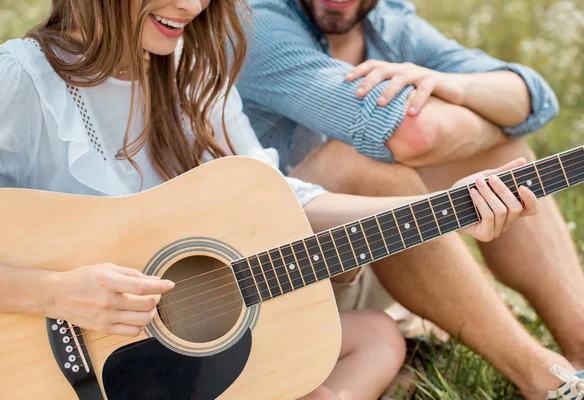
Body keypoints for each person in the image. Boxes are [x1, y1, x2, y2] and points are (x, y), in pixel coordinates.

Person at [0, 1, 571, 399]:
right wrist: (59, 293)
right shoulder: (20, 82)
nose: (192, 4)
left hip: (167, 356)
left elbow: (283, 197)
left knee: (376, 339)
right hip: (50, 350)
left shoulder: (190, 68)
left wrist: (451, 212)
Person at [236, 0, 584, 398]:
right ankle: (544, 377)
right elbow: (412, 135)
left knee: (500, 156)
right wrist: (495, 117)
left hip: (369, 257)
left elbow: (534, 96)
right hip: (267, 278)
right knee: (363, 164)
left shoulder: (388, 23)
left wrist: (457, 85)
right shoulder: (256, 23)